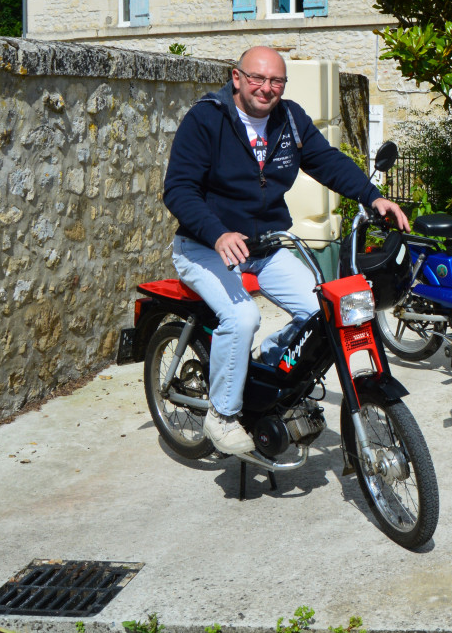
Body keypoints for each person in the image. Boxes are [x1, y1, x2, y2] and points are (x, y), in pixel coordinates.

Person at [162, 46, 408, 454]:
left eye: (276, 81)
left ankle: (270, 364)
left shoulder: (289, 119)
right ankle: (221, 415)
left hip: (265, 246)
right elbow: (179, 189)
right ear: (237, 77)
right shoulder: (206, 119)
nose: (266, 88)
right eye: (257, 78)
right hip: (204, 245)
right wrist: (218, 233)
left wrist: (371, 197)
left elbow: (326, 161)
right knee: (242, 318)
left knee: (325, 312)